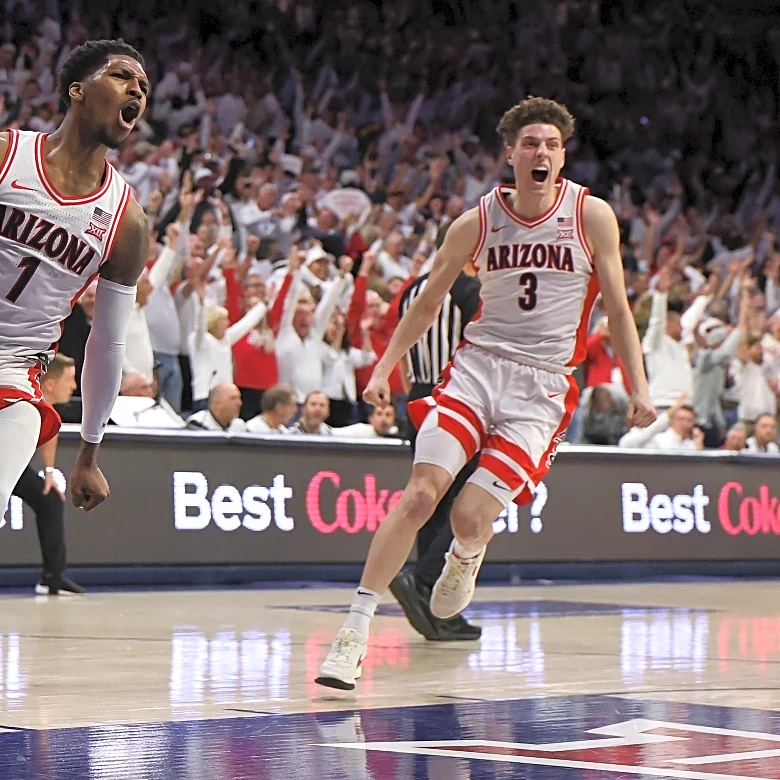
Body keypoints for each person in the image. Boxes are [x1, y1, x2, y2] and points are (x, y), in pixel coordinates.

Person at [316, 96, 656, 690]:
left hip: (543, 386)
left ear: (563, 153)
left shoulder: (592, 215)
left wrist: (638, 386)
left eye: (551, 144)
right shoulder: (477, 221)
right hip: (475, 368)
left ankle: (466, 556)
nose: (541, 152)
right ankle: (353, 632)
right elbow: (426, 301)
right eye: (531, 143)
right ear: (511, 154)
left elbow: (619, 308)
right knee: (420, 495)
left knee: (472, 517)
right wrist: (383, 368)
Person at [0, 39, 151, 516]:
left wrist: (89, 450)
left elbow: (107, 342)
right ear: (78, 90)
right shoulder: (6, 154)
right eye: (123, 77)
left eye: (144, 87)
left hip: (16, 373)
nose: (137, 91)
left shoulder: (127, 221)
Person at [388, 251, 484, 642]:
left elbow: (405, 345)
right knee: (469, 505)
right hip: (460, 399)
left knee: (432, 505)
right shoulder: (470, 290)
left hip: (420, 397)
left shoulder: (412, 290)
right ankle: (423, 579)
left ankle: (437, 610)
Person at [10, 355, 84, 594]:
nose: (74, 387)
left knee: (50, 500)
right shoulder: (20, 395)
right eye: (70, 380)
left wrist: (49, 473)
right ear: (50, 384)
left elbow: (50, 430)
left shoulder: (45, 406)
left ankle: (52, 578)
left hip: (10, 463)